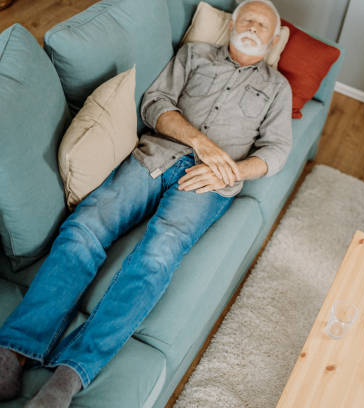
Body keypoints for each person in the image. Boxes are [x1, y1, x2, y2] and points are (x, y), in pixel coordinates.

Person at [0, 1, 291, 406]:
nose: (252, 26)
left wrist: (232, 171)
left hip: (209, 184)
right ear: (231, 27)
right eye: (246, 18)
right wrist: (200, 143)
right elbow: (155, 104)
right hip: (154, 156)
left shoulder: (277, 88)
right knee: (86, 227)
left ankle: (69, 376)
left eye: (262, 24)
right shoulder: (194, 55)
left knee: (158, 256)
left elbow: (276, 152)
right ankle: (13, 351)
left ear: (273, 39)